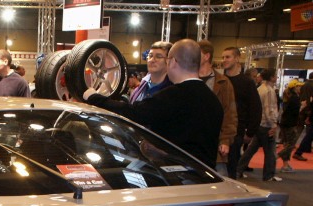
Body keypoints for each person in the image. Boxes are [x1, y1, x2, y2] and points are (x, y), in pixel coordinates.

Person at [84, 39, 223, 169]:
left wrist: (94, 98)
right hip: (207, 176)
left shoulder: (173, 95)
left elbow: (134, 113)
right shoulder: (213, 100)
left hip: (177, 176)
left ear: (173, 62)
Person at [221, 46, 262, 179]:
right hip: (219, 132)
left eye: (228, 57)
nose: (224, 60)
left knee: (231, 168)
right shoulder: (220, 81)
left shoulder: (247, 82)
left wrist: (250, 132)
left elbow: (255, 108)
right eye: (223, 57)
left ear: (237, 58)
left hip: (238, 132)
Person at [198, 40, 237, 176]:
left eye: (197, 53)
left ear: (206, 56)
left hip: (215, 144)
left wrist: (225, 140)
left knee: (221, 183)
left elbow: (230, 114)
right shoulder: (188, 78)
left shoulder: (223, 83)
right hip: (193, 142)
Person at [236, 69, 281, 181]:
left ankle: (238, 170)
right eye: (275, 76)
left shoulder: (260, 88)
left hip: (259, 124)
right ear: (271, 77)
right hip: (266, 124)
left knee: (251, 149)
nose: (277, 78)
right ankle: (268, 175)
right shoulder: (269, 91)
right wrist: (273, 124)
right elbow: (269, 109)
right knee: (270, 151)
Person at [277, 79, 303, 172]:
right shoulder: (295, 98)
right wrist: (302, 107)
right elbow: (294, 112)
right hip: (290, 124)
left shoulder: (288, 97)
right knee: (290, 145)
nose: (300, 88)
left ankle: (285, 165)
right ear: (295, 87)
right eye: (299, 86)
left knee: (287, 144)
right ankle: (276, 157)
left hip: (284, 123)